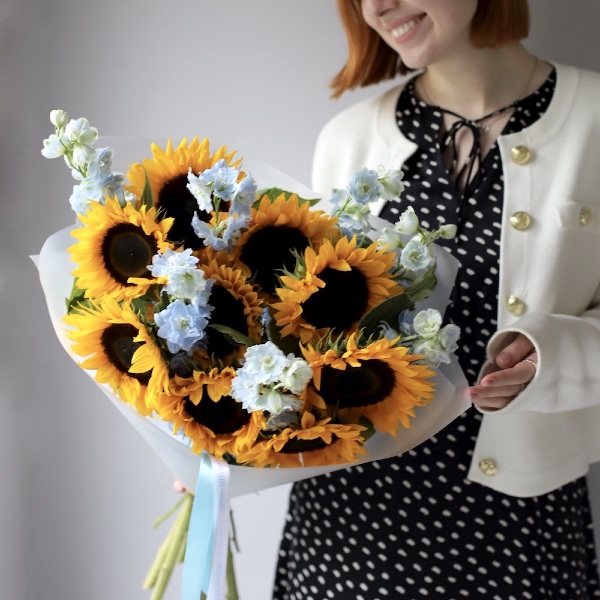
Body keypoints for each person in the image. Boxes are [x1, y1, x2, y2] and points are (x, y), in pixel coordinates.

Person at [273, 1, 600, 597]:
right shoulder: (348, 140)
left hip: (515, 528)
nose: (379, 6)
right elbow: (300, 332)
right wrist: (221, 428)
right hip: (347, 525)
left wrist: (551, 355)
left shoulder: (593, 121)